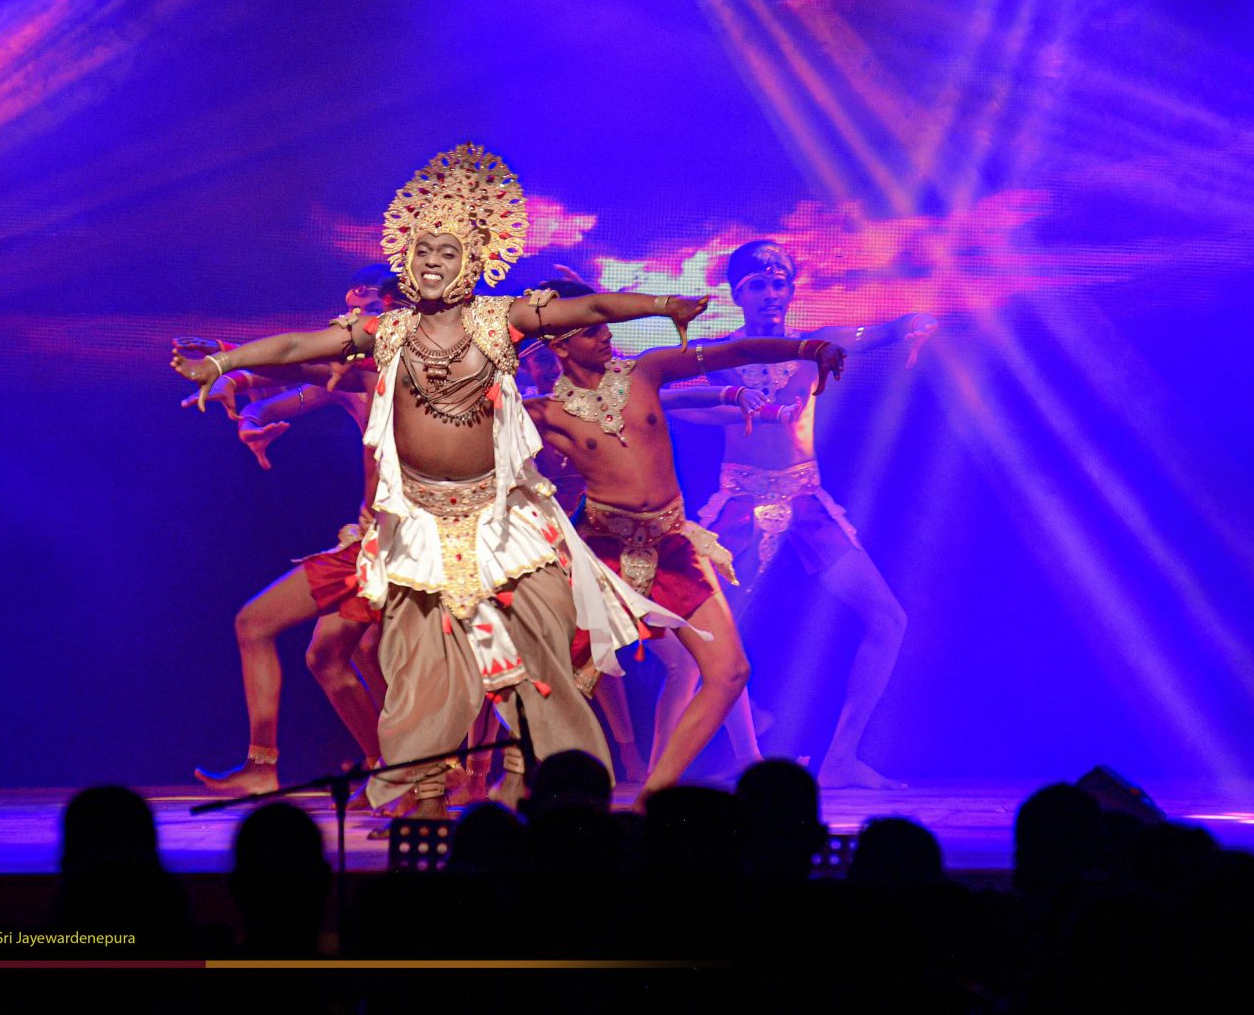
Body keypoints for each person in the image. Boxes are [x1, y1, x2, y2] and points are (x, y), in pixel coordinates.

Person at [173, 143, 703, 818]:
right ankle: (420, 792)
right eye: (421, 251)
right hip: (413, 533)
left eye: (446, 252)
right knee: (411, 666)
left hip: (495, 530)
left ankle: (536, 789)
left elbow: (585, 309)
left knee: (519, 664)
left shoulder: (499, 322)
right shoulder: (385, 332)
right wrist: (223, 364)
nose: (430, 262)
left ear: (472, 264)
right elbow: (299, 349)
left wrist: (659, 304)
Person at [525, 278, 844, 799]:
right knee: (549, 676)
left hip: (672, 545)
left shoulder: (647, 371)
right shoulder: (542, 413)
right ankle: (504, 790)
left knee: (730, 673)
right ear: (559, 344)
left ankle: (654, 796)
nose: (606, 337)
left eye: (606, 327)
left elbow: (735, 352)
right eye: (590, 331)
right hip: (602, 553)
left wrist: (805, 347)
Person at [667, 238, 935, 788]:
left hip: (807, 502)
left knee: (888, 619)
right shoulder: (717, 355)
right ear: (737, 294)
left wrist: (916, 322)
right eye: (758, 285)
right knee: (703, 635)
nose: (772, 294)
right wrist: (718, 411)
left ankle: (841, 758)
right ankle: (748, 755)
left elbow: (879, 332)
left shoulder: (815, 347)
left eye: (780, 283)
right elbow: (663, 393)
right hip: (740, 502)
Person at [186, 266, 398, 795]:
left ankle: (415, 774)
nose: (358, 321)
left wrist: (230, 360)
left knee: (370, 653)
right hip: (369, 543)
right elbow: (287, 380)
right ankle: (379, 770)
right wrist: (246, 409)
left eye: (371, 310)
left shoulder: (409, 371)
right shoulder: (353, 378)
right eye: (353, 312)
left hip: (410, 543)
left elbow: (296, 359)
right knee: (324, 655)